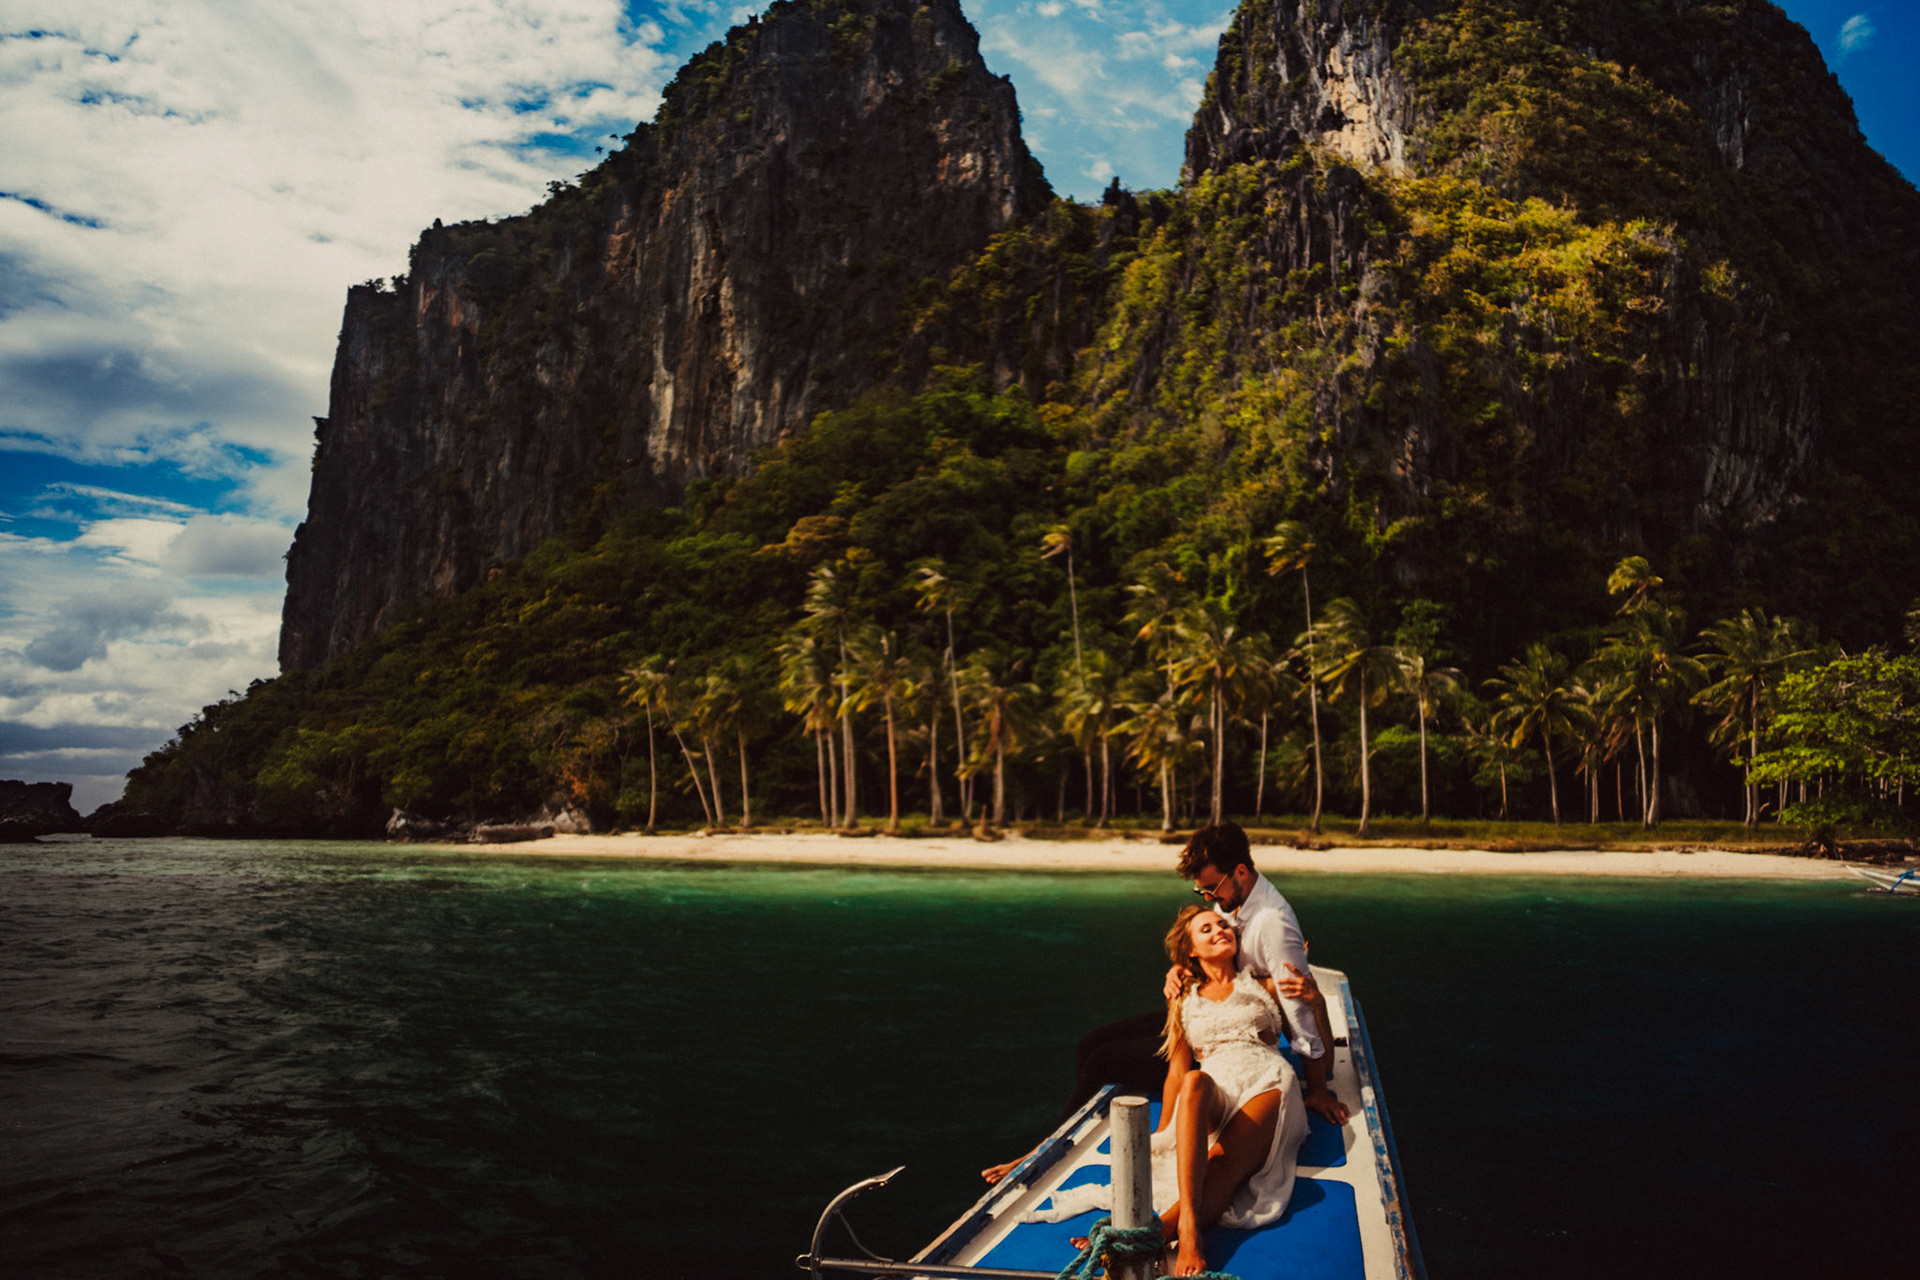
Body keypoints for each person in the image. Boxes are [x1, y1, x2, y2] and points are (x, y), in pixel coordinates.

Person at [981, 824, 1346, 1184]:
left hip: (1230, 1040)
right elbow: (1205, 939)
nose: (1208, 899)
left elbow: (1296, 1006)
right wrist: (1180, 968)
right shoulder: (1232, 898)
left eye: (1211, 888)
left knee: (1102, 1060)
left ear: (1240, 872)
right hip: (1210, 1003)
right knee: (1089, 1043)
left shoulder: (1272, 924)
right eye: (1201, 890)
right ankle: (1061, 1137)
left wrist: (1317, 1088)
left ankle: (1041, 1153)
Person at [1150, 902, 1311, 1275]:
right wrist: (1163, 1129)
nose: (1219, 931)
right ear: (1190, 951)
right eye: (1205, 929)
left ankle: (1175, 1229)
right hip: (1218, 1087)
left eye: (1223, 925)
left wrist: (1314, 999)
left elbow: (1308, 1032)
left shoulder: (1263, 984)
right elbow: (1177, 1073)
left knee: (1220, 1164)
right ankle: (1175, 1227)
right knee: (1194, 1081)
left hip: (1266, 1081)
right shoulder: (1183, 1000)